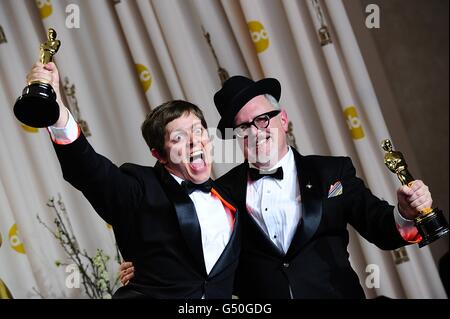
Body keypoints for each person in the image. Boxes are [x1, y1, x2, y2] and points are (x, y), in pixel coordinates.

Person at [119, 76, 433, 299]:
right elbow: (193, 248)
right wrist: (148, 269)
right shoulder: (220, 193)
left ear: (282, 119)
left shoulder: (330, 172)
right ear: (235, 137)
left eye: (263, 120)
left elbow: (379, 225)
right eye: (243, 127)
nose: (256, 132)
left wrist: (405, 215)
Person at [26, 62, 241, 299]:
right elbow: (90, 172)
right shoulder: (139, 188)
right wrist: (56, 112)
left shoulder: (231, 196)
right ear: (159, 155)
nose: (194, 141)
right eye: (179, 137)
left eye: (198, 130)